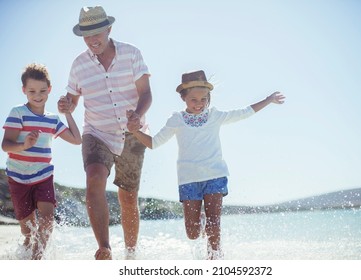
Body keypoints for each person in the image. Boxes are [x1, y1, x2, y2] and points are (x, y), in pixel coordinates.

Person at [127, 70, 285, 259]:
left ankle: (215, 260)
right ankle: (200, 222)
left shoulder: (215, 116)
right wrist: (135, 131)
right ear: (183, 97)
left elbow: (244, 113)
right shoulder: (176, 120)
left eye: (203, 99)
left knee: (214, 223)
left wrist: (268, 100)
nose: (199, 104)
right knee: (192, 233)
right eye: (194, 99)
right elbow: (154, 143)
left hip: (215, 175)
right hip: (189, 180)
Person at [58, 6, 152, 260]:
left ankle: (130, 256)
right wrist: (67, 104)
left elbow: (146, 93)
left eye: (96, 33)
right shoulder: (79, 65)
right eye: (86, 36)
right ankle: (104, 248)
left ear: (109, 29)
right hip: (96, 131)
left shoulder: (132, 54)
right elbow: (72, 98)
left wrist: (137, 115)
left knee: (128, 197)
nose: (92, 40)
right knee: (94, 179)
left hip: (132, 133)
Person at [2, 63, 82, 260]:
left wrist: (68, 113)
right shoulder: (18, 113)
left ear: (50, 90)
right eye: (32, 91)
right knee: (28, 232)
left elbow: (76, 139)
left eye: (42, 91)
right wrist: (25, 145)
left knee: (47, 220)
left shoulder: (52, 119)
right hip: (18, 177)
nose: (38, 95)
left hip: (43, 175)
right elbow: (6, 145)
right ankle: (27, 254)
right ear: (24, 91)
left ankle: (37, 260)